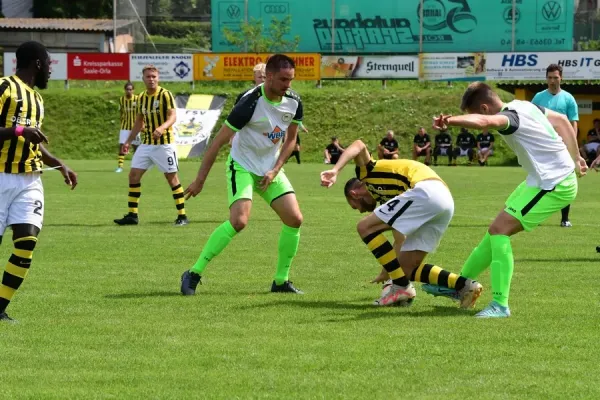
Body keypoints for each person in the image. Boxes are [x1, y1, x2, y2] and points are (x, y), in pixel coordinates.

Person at [429, 82, 586, 318]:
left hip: (554, 184)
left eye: (471, 114)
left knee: (499, 231)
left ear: (483, 108)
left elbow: (485, 122)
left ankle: (500, 305)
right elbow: (563, 120)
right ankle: (460, 286)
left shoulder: (508, 117)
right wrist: (577, 158)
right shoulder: (524, 105)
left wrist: (449, 121)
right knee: (494, 232)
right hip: (540, 179)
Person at [180, 54, 304, 295]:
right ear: (268, 77)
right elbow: (216, 143)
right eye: (283, 80)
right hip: (243, 166)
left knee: (294, 219)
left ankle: (280, 281)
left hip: (270, 170)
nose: (288, 85)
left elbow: (291, 140)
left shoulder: (294, 101)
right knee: (239, 221)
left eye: (291, 80)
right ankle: (193, 273)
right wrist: (200, 181)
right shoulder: (249, 104)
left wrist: (275, 169)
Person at [319, 140, 482, 307]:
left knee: (364, 226)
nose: (360, 211)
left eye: (355, 207)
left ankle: (400, 288)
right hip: (444, 201)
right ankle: (464, 286)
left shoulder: (367, 174)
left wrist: (335, 170)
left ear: (354, 194)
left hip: (426, 191)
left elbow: (359, 145)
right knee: (406, 269)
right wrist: (387, 271)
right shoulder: (392, 197)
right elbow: (399, 240)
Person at [0, 41, 78, 322]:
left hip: (29, 179)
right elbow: (21, 131)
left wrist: (59, 164)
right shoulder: (4, 87)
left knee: (27, 241)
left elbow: (35, 141)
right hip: (0, 176)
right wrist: (19, 130)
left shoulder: (38, 100)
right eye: (49, 64)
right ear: (37, 63)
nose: (50, 70)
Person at [113, 65, 188, 226]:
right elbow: (139, 122)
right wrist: (128, 141)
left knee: (172, 178)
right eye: (148, 76)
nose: (151, 79)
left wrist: (161, 128)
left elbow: (173, 116)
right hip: (146, 144)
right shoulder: (141, 98)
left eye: (154, 76)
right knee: (133, 175)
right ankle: (132, 215)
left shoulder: (165, 95)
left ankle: (182, 215)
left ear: (158, 78)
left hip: (164, 144)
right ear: (143, 79)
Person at [531, 64, 579, 228]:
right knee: (540, 180)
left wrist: (572, 144)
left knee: (564, 181)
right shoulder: (538, 97)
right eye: (550, 77)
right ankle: (534, 216)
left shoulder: (568, 98)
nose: (552, 81)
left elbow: (573, 122)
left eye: (555, 77)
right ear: (546, 78)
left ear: (561, 78)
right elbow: (531, 119)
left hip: (562, 147)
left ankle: (565, 218)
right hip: (542, 147)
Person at [230, 63, 267, 146]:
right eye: (260, 77)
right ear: (254, 78)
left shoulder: (275, 96)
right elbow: (234, 117)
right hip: (247, 136)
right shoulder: (245, 95)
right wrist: (232, 137)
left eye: (265, 77)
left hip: (267, 136)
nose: (263, 80)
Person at [116, 82, 139, 173]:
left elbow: (141, 113)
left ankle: (137, 166)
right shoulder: (122, 100)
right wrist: (122, 121)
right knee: (122, 145)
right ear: (125, 90)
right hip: (125, 127)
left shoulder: (137, 99)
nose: (129, 91)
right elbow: (121, 112)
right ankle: (120, 167)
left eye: (130, 89)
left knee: (136, 146)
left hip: (135, 127)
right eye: (127, 89)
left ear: (133, 90)